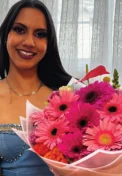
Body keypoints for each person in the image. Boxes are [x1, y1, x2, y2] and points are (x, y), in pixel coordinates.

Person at [0, 0, 72, 175]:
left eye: (40, 34)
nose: (29, 42)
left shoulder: (66, 97)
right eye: (19, 30)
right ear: (5, 34)